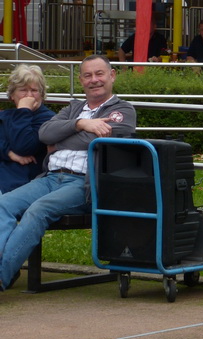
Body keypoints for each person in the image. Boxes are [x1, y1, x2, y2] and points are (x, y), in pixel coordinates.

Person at [0, 55, 136, 291]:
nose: (94, 80)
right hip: (50, 178)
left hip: (82, 185)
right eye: (87, 75)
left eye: (99, 74)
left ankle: (2, 276)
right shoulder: (73, 108)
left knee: (38, 211)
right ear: (81, 80)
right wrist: (80, 124)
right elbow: (45, 134)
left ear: (112, 75)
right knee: (3, 204)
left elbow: (99, 139)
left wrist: (61, 140)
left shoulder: (122, 110)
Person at [0, 65, 55, 193]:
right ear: (12, 95)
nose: (29, 96)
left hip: (20, 184)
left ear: (41, 94)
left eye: (34, 90)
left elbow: (23, 147)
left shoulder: (49, 119)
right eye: (23, 90)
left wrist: (24, 110)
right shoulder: (6, 115)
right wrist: (9, 153)